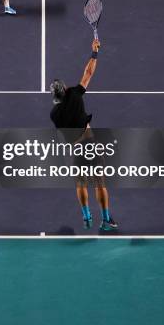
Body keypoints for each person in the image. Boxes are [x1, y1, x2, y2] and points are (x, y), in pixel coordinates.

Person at [49, 39, 117, 231]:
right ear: (66, 89)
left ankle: (86, 216)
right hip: (90, 145)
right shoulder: (76, 95)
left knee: (80, 184)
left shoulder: (54, 114)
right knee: (100, 183)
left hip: (76, 149)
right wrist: (94, 52)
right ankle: (105, 220)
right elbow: (88, 73)